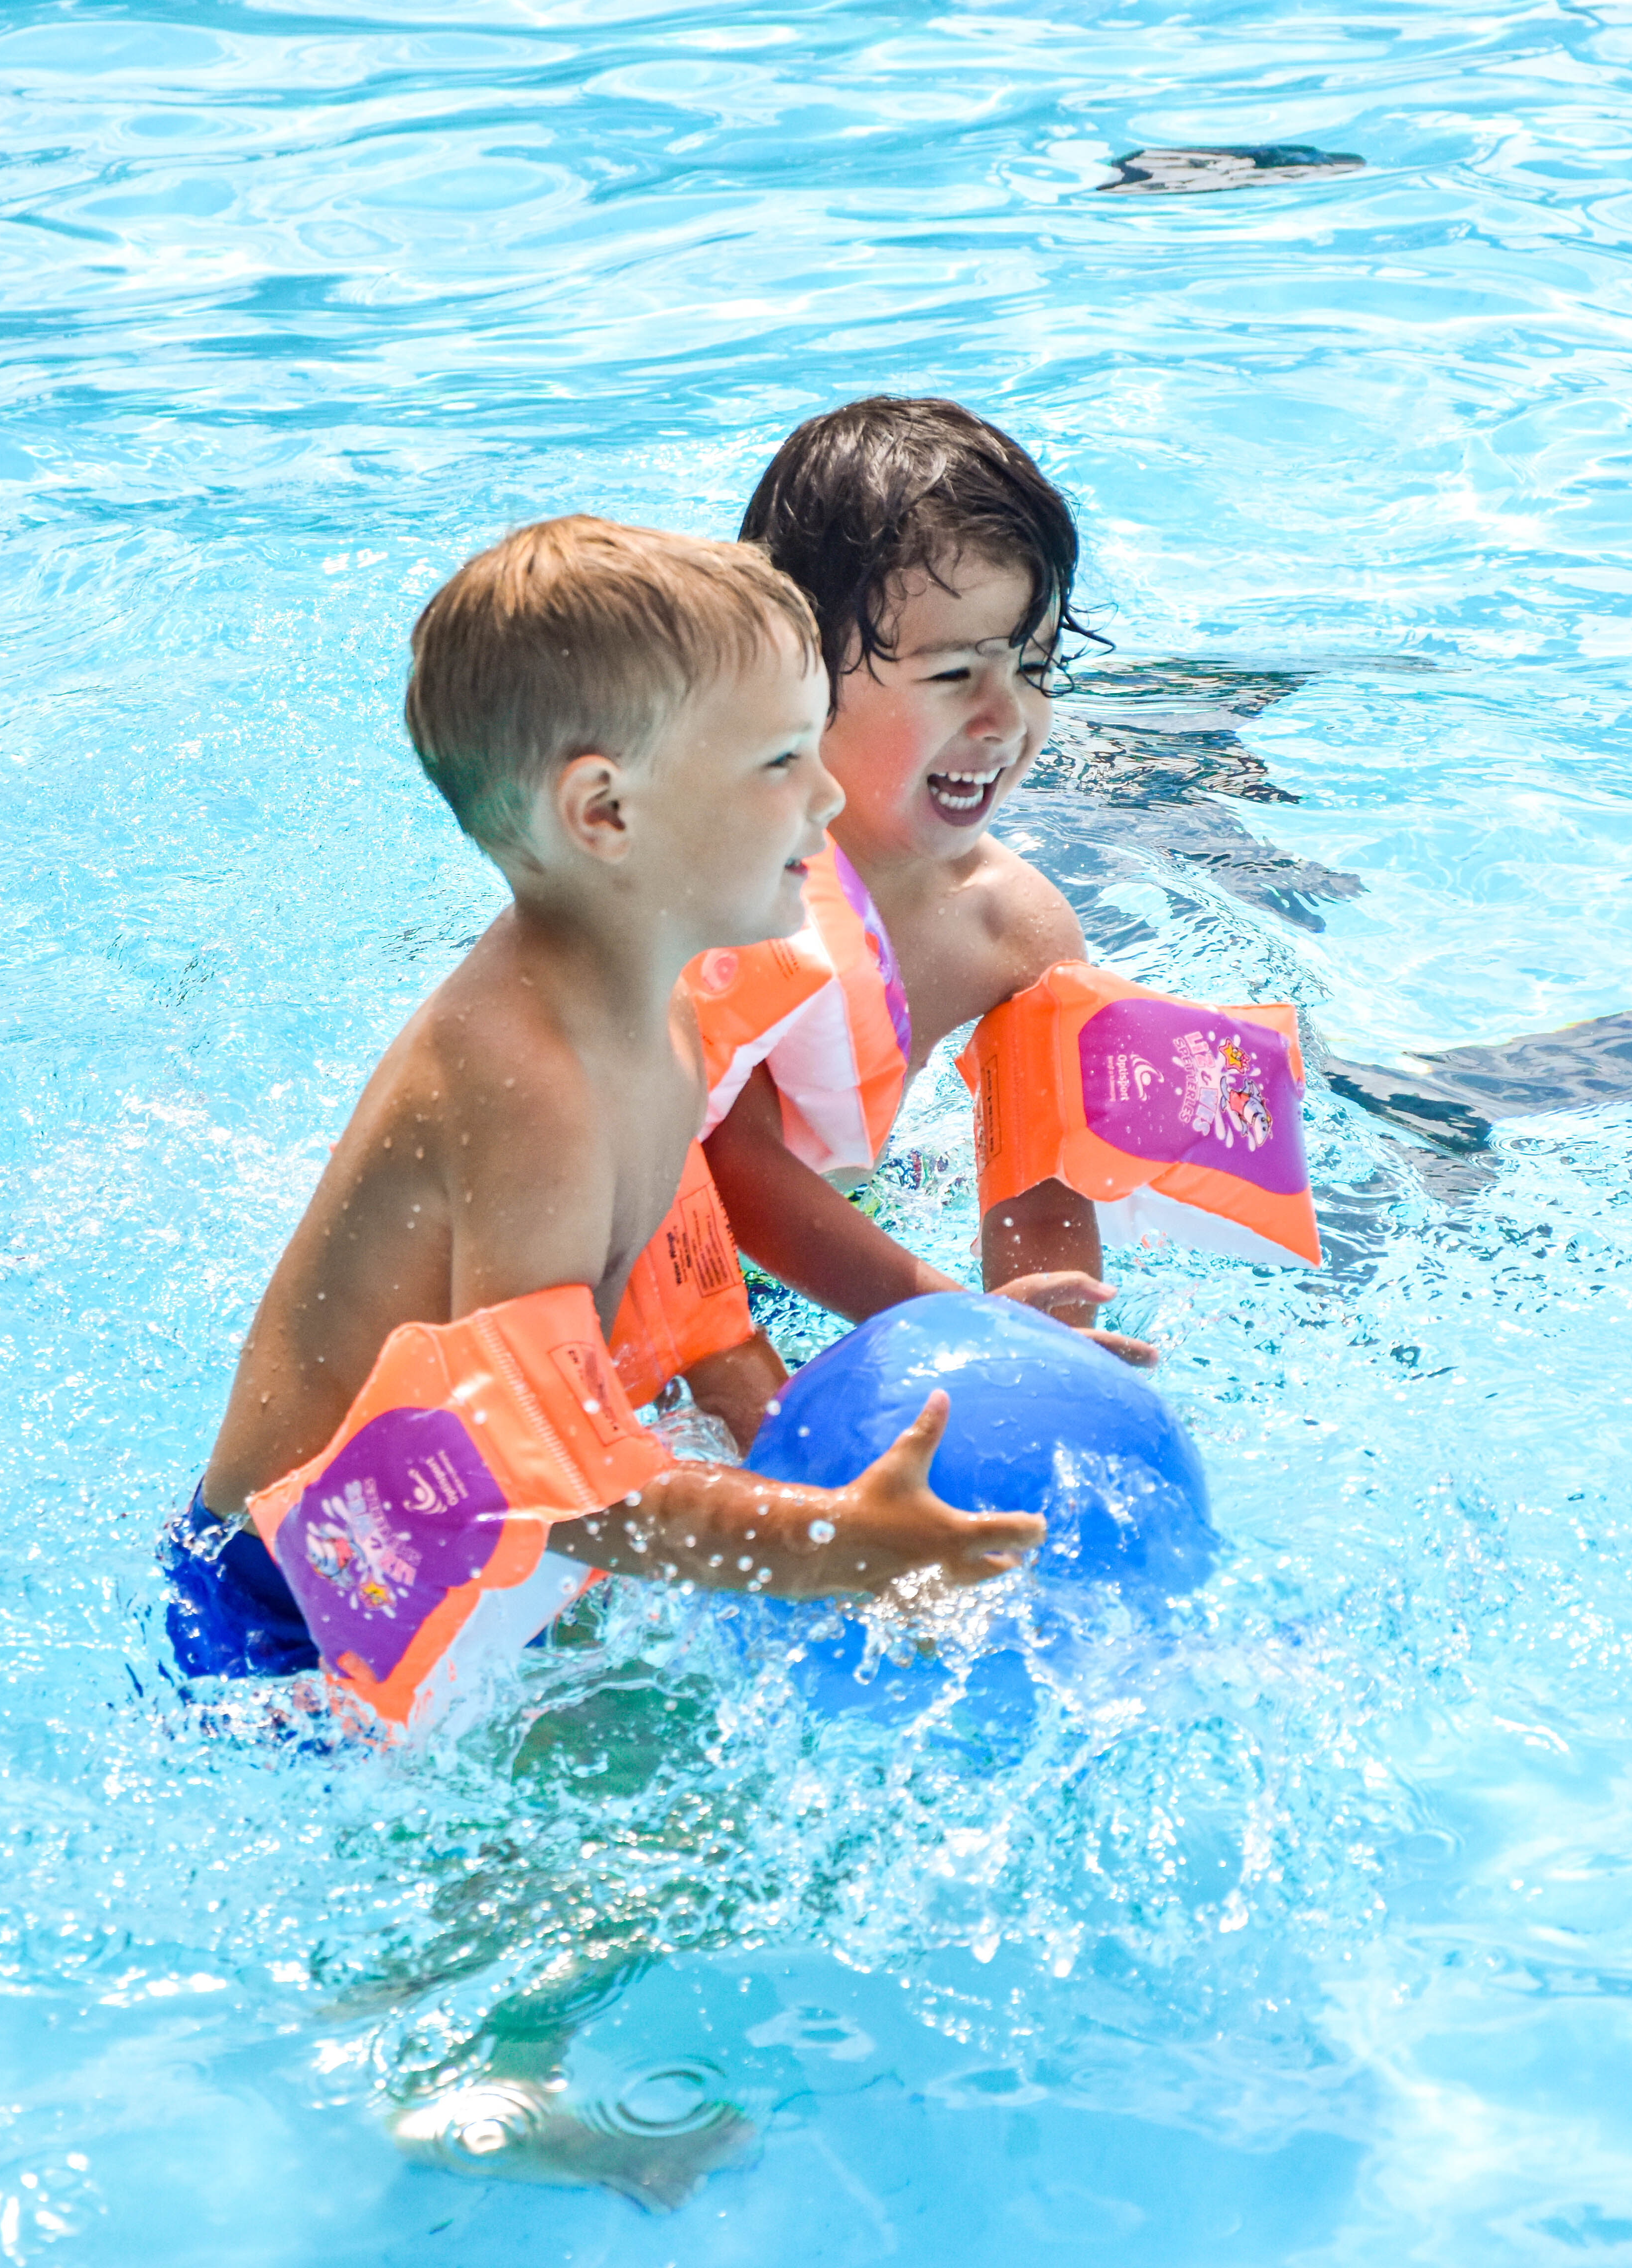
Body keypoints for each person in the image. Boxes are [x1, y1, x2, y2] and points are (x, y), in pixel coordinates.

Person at [165, 514, 1044, 1723]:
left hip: (454, 1544)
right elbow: (551, 1483)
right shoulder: (531, 1089)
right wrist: (826, 1542)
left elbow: (670, 1311)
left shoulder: (655, 1001)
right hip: (303, 1615)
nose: (830, 793)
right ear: (605, 814)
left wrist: (952, 1335)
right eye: (781, 761)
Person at [701, 396, 1158, 1361]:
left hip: (851, 1232)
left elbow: (1040, 1207)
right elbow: (728, 1165)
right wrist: (949, 1315)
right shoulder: (715, 885)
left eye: (1032, 666)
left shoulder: (1012, 934)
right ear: (800, 669)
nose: (1006, 720)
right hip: (673, 1245)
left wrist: (1049, 1343)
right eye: (955, 676)